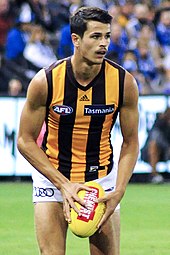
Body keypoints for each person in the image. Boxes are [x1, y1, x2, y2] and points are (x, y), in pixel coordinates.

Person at [17, 7, 139, 255]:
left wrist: (119, 189)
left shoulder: (123, 82)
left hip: (100, 180)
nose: (103, 43)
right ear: (76, 39)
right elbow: (24, 140)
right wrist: (63, 184)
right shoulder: (46, 81)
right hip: (53, 177)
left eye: (106, 36)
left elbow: (131, 142)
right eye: (95, 36)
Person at [141, 107, 170, 184]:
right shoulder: (159, 123)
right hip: (159, 152)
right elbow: (155, 138)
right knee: (153, 146)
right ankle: (154, 175)